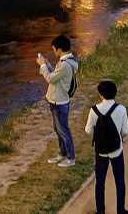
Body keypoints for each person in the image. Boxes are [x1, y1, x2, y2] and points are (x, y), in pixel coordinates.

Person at [85, 79, 128, 214]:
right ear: (115, 93)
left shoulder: (94, 110)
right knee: (120, 181)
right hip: (117, 150)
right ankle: (121, 210)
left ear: (101, 94)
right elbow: (126, 130)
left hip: (101, 152)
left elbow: (88, 130)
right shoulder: (121, 109)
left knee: (100, 183)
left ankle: (100, 211)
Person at [37, 35, 79, 168]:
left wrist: (43, 65)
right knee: (58, 129)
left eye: (54, 49)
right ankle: (62, 154)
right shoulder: (66, 62)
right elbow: (56, 76)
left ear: (59, 49)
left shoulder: (65, 65)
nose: (54, 52)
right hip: (56, 100)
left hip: (59, 102)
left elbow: (50, 79)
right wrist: (49, 65)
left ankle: (71, 158)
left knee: (64, 130)